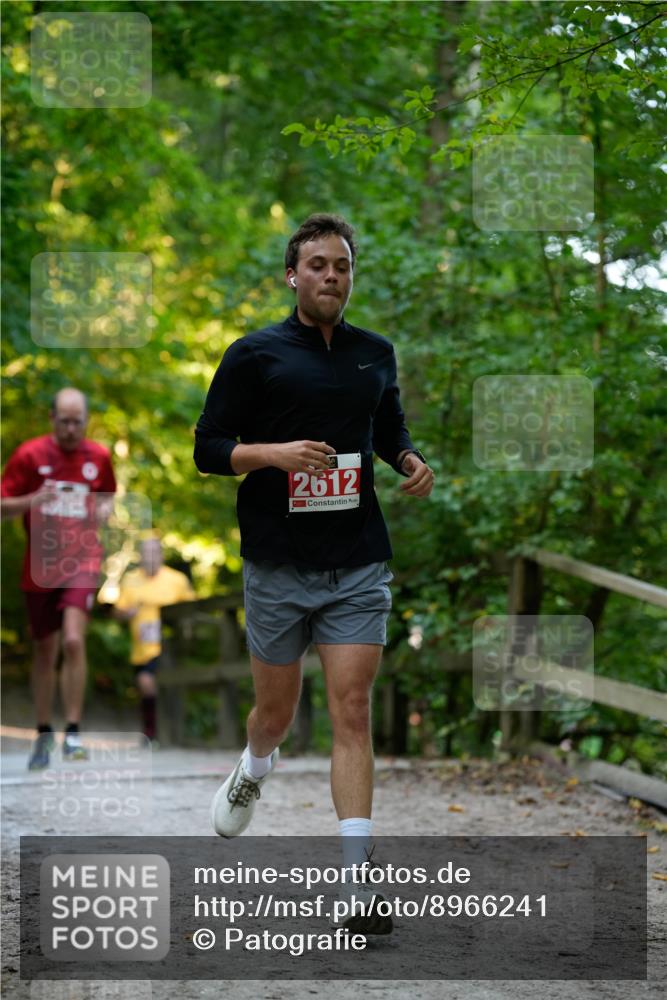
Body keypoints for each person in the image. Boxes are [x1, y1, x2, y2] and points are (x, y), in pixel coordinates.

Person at [194, 213, 434, 933]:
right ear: (292, 276)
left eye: (342, 266)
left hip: (356, 560)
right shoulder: (253, 355)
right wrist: (273, 455)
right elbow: (208, 449)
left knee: (351, 709)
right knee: (275, 715)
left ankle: (357, 885)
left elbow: (387, 427)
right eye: (318, 265)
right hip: (277, 562)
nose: (332, 276)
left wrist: (408, 458)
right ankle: (254, 766)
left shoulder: (375, 353)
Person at [1, 388, 116, 770]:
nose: (70, 429)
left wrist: (103, 510)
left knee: (73, 640)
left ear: (86, 421)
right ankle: (43, 733)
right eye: (64, 421)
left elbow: (107, 496)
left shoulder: (98, 456)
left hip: (83, 560)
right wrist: (32, 500)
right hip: (40, 565)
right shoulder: (29, 455)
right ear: (52, 418)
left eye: (77, 422)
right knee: (44, 650)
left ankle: (74, 732)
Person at [112, 537, 195, 742]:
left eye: (154, 552)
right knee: (146, 683)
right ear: (140, 556)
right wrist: (126, 613)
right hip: (142, 646)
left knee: (153, 682)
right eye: (146, 552)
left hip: (170, 645)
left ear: (161, 555)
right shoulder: (130, 579)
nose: (150, 557)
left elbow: (192, 610)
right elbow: (117, 612)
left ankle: (161, 732)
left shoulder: (177, 580)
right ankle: (152, 730)